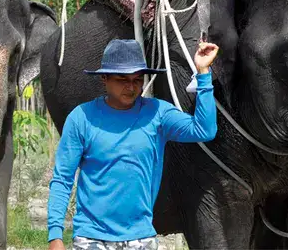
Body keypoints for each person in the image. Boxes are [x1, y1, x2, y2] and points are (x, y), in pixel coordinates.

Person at [47, 39, 219, 250]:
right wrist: (55, 235)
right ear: (104, 78)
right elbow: (62, 179)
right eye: (122, 79)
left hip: (141, 239)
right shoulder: (82, 118)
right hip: (91, 239)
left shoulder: (157, 114)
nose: (131, 87)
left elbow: (204, 130)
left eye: (137, 79)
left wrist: (203, 73)